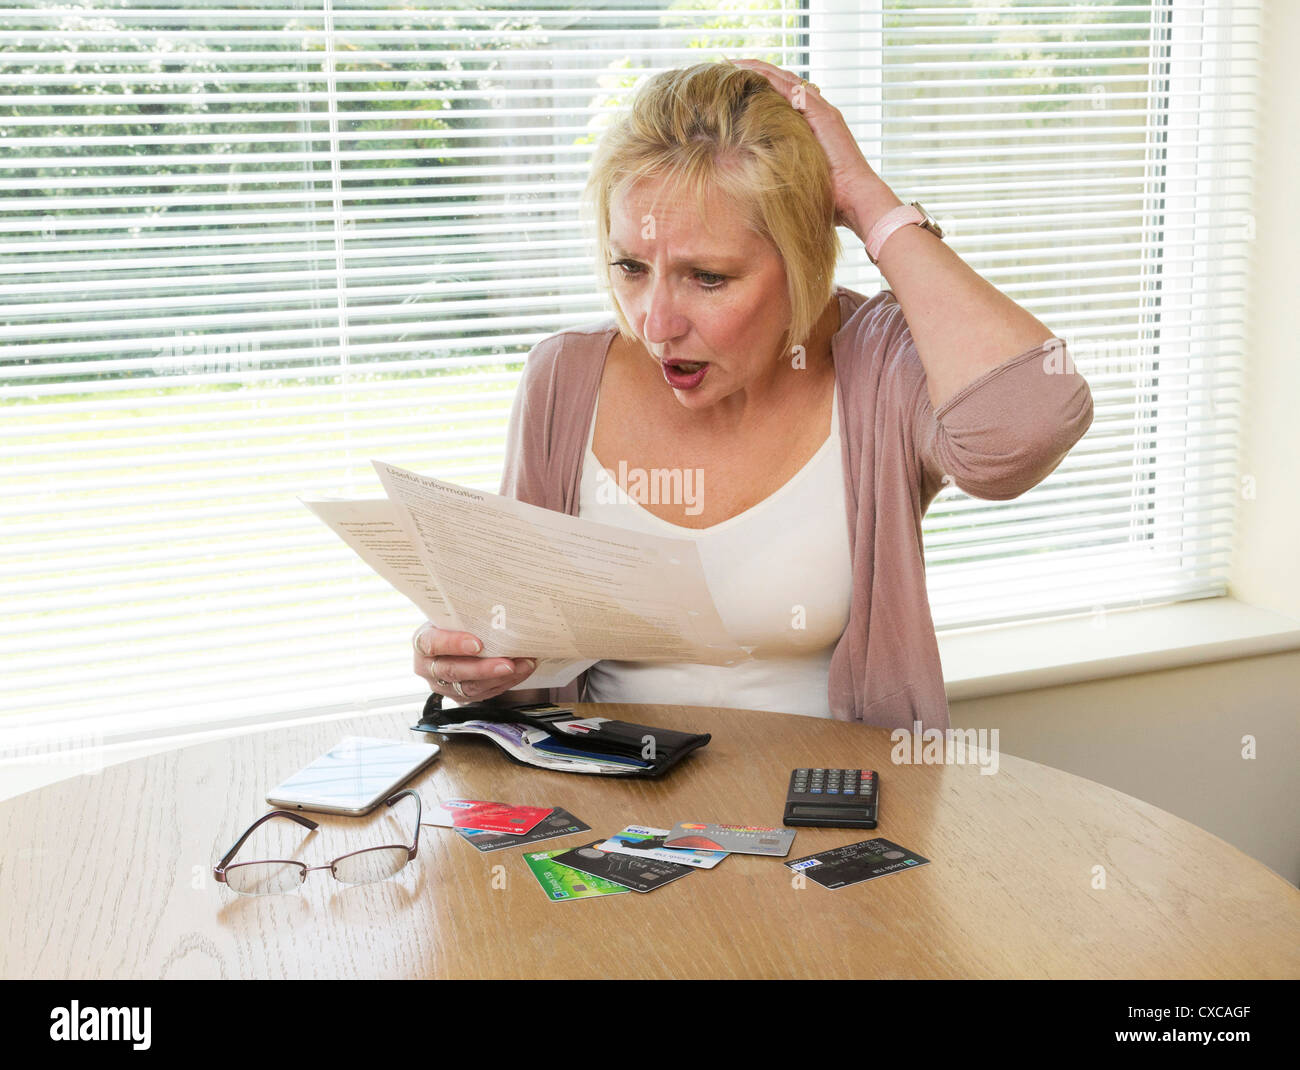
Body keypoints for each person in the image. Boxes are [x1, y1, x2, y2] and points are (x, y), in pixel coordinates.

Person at [412, 59, 1093, 731]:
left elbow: (1026, 428)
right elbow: (511, 648)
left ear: (802, 258)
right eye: (630, 267)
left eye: (707, 277)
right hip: (610, 820)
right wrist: (464, 664)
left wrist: (864, 199)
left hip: (831, 818)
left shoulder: (878, 368)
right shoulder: (565, 379)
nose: (656, 324)